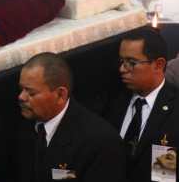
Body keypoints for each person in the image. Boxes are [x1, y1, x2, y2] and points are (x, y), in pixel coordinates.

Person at [14, 52, 127, 182]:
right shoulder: (24, 126)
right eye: (21, 89)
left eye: (31, 92)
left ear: (60, 95)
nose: (21, 97)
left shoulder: (100, 142)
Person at [104, 27, 179, 182]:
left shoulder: (175, 109)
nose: (122, 69)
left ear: (158, 65)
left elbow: (166, 176)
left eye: (131, 63)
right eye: (121, 61)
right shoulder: (113, 99)